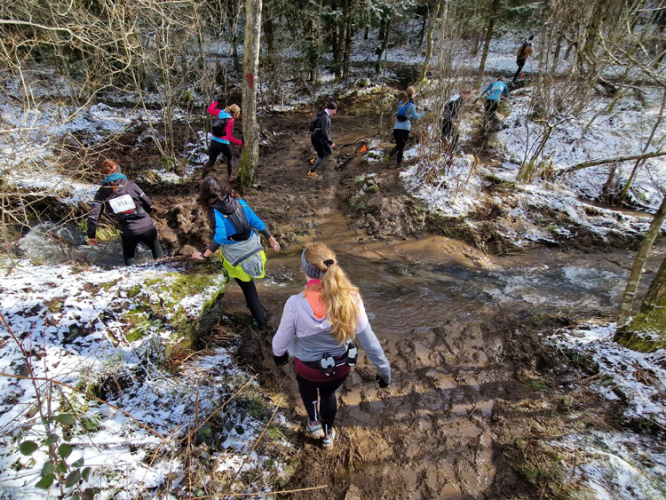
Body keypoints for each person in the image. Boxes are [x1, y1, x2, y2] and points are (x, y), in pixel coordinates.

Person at [272, 244, 391, 449]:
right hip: (339, 368)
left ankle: (313, 423)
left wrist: (279, 354)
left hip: (307, 368)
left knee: (307, 388)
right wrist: (383, 369)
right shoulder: (351, 298)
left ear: (304, 269)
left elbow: (280, 340)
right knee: (328, 395)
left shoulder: (294, 303)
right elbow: (368, 340)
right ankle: (328, 435)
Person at [192, 177, 280, 330]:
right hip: (253, 246)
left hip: (236, 254)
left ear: (204, 194)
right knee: (249, 283)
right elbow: (255, 221)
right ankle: (256, 310)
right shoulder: (238, 200)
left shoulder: (214, 211)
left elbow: (220, 236)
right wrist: (271, 238)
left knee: (247, 287)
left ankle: (261, 323)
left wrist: (204, 255)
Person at [87, 159, 164, 266]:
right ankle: (163, 268)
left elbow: (93, 216)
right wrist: (144, 216)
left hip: (128, 230)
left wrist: (91, 236)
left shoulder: (101, 192)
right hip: (147, 226)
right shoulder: (131, 185)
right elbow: (149, 205)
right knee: (155, 247)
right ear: (119, 171)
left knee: (129, 256)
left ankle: (132, 273)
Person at [201, 101, 243, 182]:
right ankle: (230, 177)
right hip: (223, 143)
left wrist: (216, 102)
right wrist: (240, 142)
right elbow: (229, 137)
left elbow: (209, 110)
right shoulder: (230, 121)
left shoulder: (220, 112)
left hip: (214, 141)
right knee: (230, 158)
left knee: (211, 162)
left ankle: (201, 179)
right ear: (235, 113)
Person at [387, 86, 426, 168]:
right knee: (401, 147)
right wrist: (424, 112)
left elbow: (405, 114)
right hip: (404, 129)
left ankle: (388, 156)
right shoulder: (411, 105)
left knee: (398, 146)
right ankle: (398, 164)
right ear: (412, 94)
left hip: (396, 128)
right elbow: (416, 117)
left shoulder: (401, 103)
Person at [308, 101, 337, 178]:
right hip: (317, 138)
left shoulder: (321, 114)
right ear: (331, 109)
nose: (335, 112)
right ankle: (312, 172)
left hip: (319, 137)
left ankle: (314, 161)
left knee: (329, 150)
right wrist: (330, 142)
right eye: (334, 110)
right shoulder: (325, 118)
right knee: (321, 156)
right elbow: (324, 133)